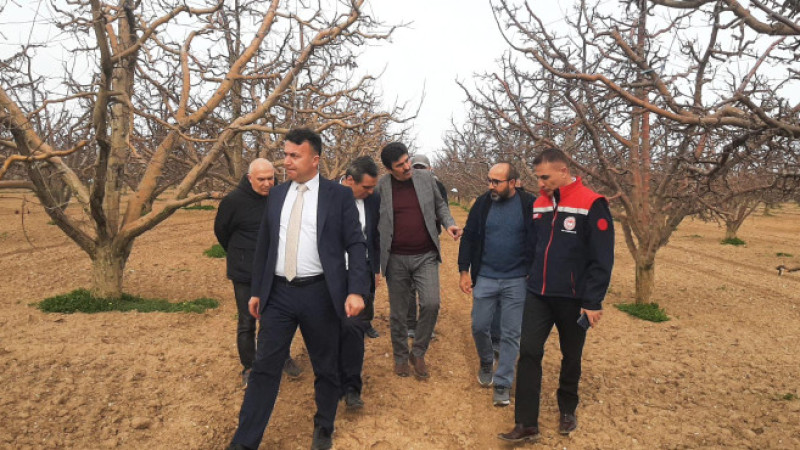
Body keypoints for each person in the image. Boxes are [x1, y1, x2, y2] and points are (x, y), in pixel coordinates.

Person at [228, 128, 370, 450]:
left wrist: (356, 290)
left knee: (325, 366)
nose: (286, 161)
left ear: (315, 159)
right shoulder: (278, 194)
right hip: (278, 294)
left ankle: (324, 428)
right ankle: (244, 443)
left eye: (295, 155)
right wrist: (257, 291)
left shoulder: (338, 196)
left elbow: (356, 244)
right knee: (264, 367)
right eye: (286, 154)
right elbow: (266, 244)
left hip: (320, 293)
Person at [498, 148, 614, 443]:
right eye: (537, 177)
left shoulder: (592, 203)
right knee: (530, 352)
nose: (540, 183)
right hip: (538, 294)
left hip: (574, 299)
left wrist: (593, 301)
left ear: (564, 172)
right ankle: (526, 423)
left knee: (571, 356)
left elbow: (602, 258)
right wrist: (528, 274)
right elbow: (532, 245)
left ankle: (567, 408)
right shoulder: (540, 203)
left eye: (545, 177)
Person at [213, 158, 302, 389]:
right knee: (247, 322)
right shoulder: (233, 201)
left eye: (270, 178)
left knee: (278, 319)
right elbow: (222, 232)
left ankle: (282, 357)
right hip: (245, 273)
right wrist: (241, 254)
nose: (266, 183)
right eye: (261, 179)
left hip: (275, 271)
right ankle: (250, 367)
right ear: (250, 178)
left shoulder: (280, 197)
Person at [376, 142, 460, 380]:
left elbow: (440, 205)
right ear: (389, 169)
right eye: (399, 165)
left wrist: (449, 223)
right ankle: (401, 357)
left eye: (407, 161)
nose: (406, 167)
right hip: (396, 258)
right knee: (398, 313)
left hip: (425, 255)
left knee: (432, 303)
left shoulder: (425, 179)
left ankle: (419, 351)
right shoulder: (381, 187)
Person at [457, 162, 536, 407]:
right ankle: (486, 359)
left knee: (512, 333)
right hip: (486, 277)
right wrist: (463, 271)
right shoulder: (482, 203)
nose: (491, 185)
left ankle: (503, 382)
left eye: (496, 182)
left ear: (512, 183)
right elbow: (469, 236)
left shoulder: (528, 204)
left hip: (516, 279)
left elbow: (539, 238)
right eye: (489, 180)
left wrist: (533, 270)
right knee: (480, 325)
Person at [338, 156, 381, 410]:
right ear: (349, 180)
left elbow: (373, 236)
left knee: (355, 327)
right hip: (329, 274)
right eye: (366, 187)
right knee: (332, 328)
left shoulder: (372, 199)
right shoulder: (326, 195)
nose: (371, 192)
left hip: (359, 271)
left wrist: (373, 268)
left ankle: (352, 387)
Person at [406, 154, 448, 339]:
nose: (420, 171)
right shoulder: (404, 185)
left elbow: (442, 209)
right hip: (407, 244)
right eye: (416, 167)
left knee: (428, 293)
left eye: (423, 167)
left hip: (428, 243)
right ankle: (410, 325)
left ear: (430, 169)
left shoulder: (438, 186)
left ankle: (425, 327)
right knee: (409, 288)